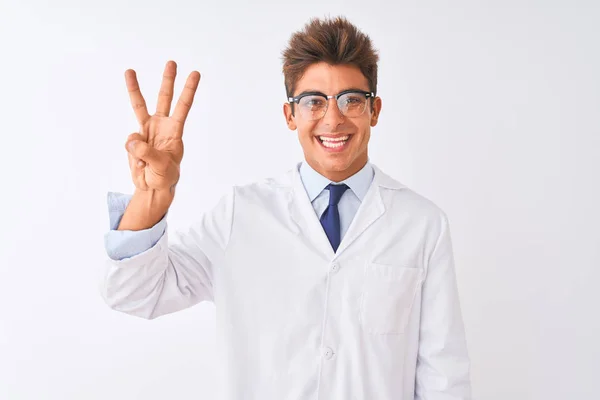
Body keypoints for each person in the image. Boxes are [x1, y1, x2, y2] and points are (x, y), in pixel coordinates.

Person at [101, 16, 472, 400]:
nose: (333, 118)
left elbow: (443, 377)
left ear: (374, 111)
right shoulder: (240, 214)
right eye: (313, 101)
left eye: (352, 100)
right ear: (289, 115)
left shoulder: (421, 225)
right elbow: (134, 293)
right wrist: (151, 197)